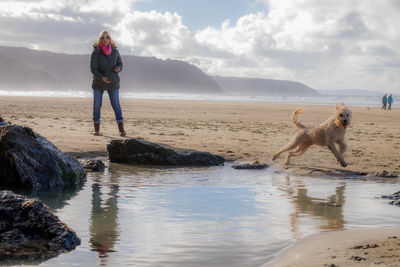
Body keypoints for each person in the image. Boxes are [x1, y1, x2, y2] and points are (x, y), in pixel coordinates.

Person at [90, 30, 126, 136]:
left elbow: (120, 63)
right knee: (97, 106)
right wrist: (102, 77)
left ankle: (121, 129)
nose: (105, 39)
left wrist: (119, 68)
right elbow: (93, 68)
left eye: (107, 37)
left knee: (116, 105)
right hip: (98, 82)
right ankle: (97, 130)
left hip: (113, 82)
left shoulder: (115, 51)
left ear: (110, 39)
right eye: (102, 37)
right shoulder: (96, 52)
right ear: (99, 39)